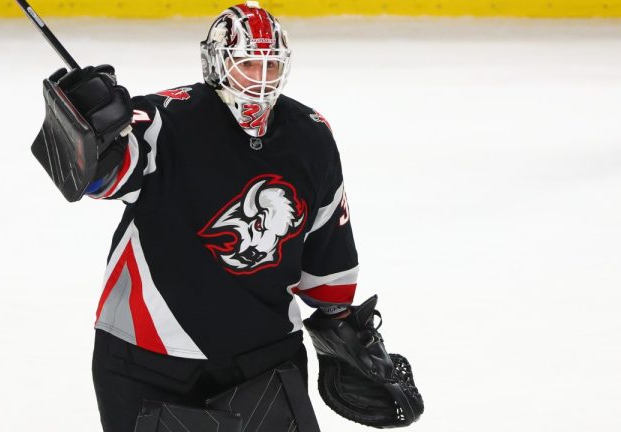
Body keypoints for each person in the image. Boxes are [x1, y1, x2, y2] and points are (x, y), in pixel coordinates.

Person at [31, 2, 414, 431]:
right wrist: (87, 129)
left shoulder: (312, 135)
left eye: (271, 67)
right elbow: (101, 178)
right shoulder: (163, 120)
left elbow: (327, 252)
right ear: (217, 63)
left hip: (263, 359)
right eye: (248, 64)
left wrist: (341, 326)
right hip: (148, 359)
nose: (261, 80)